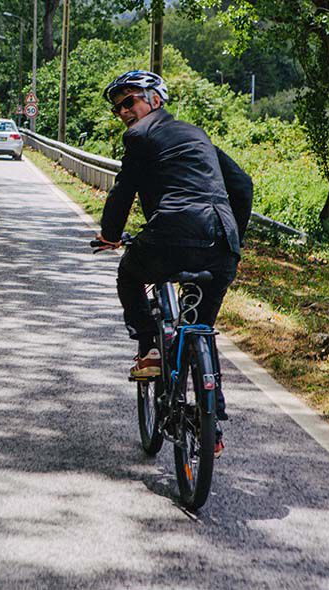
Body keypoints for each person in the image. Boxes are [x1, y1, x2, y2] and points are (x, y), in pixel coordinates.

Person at [96, 70, 253, 429]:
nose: (123, 111)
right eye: (118, 107)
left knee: (129, 273)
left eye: (129, 100)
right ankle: (212, 412)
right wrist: (234, 238)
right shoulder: (199, 136)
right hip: (221, 242)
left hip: (171, 236)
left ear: (155, 100)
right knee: (200, 325)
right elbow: (242, 185)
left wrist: (110, 235)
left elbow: (124, 190)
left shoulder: (138, 136)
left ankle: (150, 348)